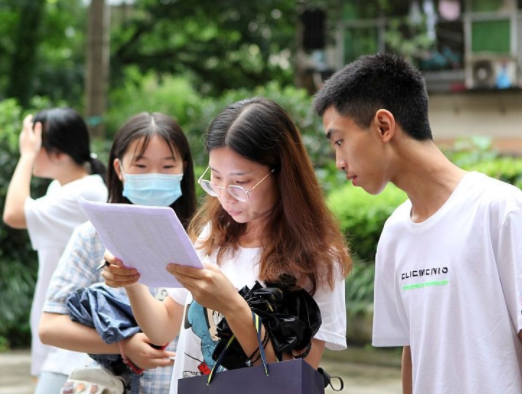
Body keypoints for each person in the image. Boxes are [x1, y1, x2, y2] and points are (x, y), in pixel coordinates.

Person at [313, 52, 522, 394]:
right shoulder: (395, 234)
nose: (339, 162)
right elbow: (413, 352)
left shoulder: (500, 209)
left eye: (340, 141)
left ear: (384, 126)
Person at [102, 97, 351, 394]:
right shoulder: (212, 235)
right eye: (215, 179)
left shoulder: (319, 259)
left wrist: (233, 307)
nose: (224, 196)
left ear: (282, 174)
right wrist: (132, 278)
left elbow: (294, 380)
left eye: (239, 182)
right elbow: (163, 328)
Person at [39, 112, 197, 394]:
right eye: (141, 165)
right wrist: (123, 343)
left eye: (167, 165)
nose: (154, 176)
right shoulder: (93, 234)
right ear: (119, 169)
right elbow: (50, 326)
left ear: (184, 167)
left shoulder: (205, 237)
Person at [2, 108, 108, 393]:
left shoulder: (85, 195)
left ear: (58, 153)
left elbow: (13, 214)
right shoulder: (60, 190)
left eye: (36, 147)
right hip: (61, 331)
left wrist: (25, 157)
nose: (29, 151)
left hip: (74, 337)